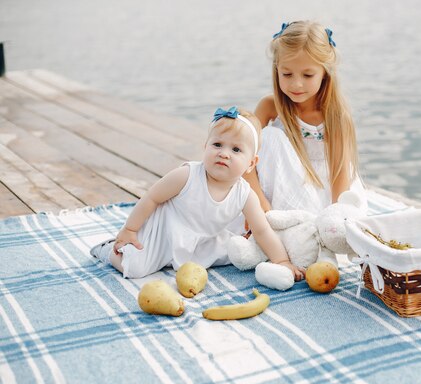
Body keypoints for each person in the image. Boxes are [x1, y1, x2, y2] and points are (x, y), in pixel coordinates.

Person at [90, 107, 304, 280]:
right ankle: (108, 251)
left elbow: (263, 230)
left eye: (236, 150)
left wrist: (282, 261)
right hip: (164, 233)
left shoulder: (245, 194)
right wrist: (130, 229)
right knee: (136, 268)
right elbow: (152, 197)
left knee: (234, 250)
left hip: (201, 239)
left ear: (251, 163)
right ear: (205, 146)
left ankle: (177, 258)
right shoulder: (187, 175)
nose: (224, 153)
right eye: (217, 144)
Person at [244, 21, 367, 216]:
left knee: (335, 219)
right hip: (280, 187)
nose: (297, 84)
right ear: (277, 70)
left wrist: (336, 216)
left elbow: (339, 175)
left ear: (325, 74)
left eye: (308, 75)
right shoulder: (270, 107)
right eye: (287, 74)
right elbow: (245, 159)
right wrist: (260, 205)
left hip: (325, 191)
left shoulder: (335, 116)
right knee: (268, 136)